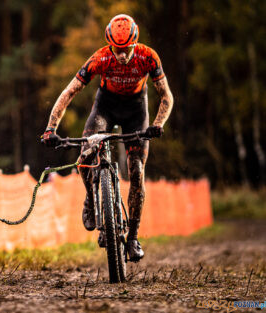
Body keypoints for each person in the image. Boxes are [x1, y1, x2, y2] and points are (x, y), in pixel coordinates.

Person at [41, 14, 173, 262]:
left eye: (126, 49)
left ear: (135, 43)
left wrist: (157, 124)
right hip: (105, 107)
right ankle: (91, 200)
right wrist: (50, 127)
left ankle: (132, 238)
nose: (122, 55)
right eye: (117, 49)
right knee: (86, 154)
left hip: (136, 110)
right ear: (110, 45)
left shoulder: (149, 57)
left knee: (136, 171)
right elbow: (69, 92)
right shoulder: (100, 58)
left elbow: (166, 95)